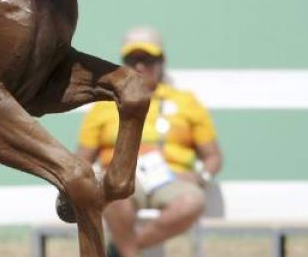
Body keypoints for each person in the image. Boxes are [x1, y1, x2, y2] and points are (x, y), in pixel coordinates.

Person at [77, 26, 223, 257]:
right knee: (113, 192)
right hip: (123, 176)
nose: (140, 66)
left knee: (192, 202)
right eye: (132, 60)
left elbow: (213, 155)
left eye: (147, 59)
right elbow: (82, 158)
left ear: (161, 62)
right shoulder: (104, 104)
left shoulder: (186, 102)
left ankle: (122, 250)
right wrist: (95, 176)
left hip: (171, 179)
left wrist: (200, 177)